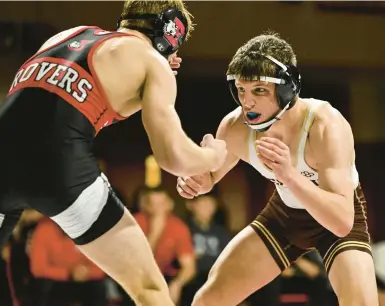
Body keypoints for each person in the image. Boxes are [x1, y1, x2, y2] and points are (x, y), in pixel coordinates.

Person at [0, 1, 227, 305]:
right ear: (169, 35)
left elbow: (59, 102)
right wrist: (213, 156)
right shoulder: (151, 61)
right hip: (60, 168)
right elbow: (172, 157)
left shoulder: (66, 35)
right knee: (149, 289)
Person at [176, 31, 377, 306]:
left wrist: (290, 177)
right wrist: (195, 180)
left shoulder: (325, 126)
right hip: (285, 216)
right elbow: (208, 178)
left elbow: (342, 221)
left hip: (336, 215)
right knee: (209, 299)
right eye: (242, 90)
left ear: (287, 89)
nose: (247, 102)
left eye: (259, 90)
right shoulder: (235, 127)